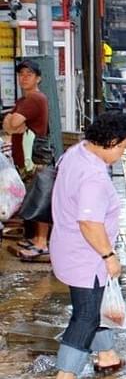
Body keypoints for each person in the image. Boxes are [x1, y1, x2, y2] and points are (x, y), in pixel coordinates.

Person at [48, 112, 126, 379]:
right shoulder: (94, 177)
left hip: (66, 247)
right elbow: (89, 223)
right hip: (86, 257)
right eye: (123, 146)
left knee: (95, 306)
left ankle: (107, 355)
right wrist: (109, 255)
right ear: (110, 142)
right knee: (85, 315)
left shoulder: (77, 153)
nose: (123, 152)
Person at [1, 59, 51, 260]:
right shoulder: (24, 100)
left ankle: (41, 242)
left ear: (38, 78)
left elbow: (12, 124)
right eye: (21, 74)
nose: (24, 78)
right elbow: (10, 125)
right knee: (32, 196)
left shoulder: (34, 99)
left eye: (29, 74)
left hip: (35, 158)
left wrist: (12, 124)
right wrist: (12, 124)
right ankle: (33, 237)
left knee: (41, 198)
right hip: (26, 158)